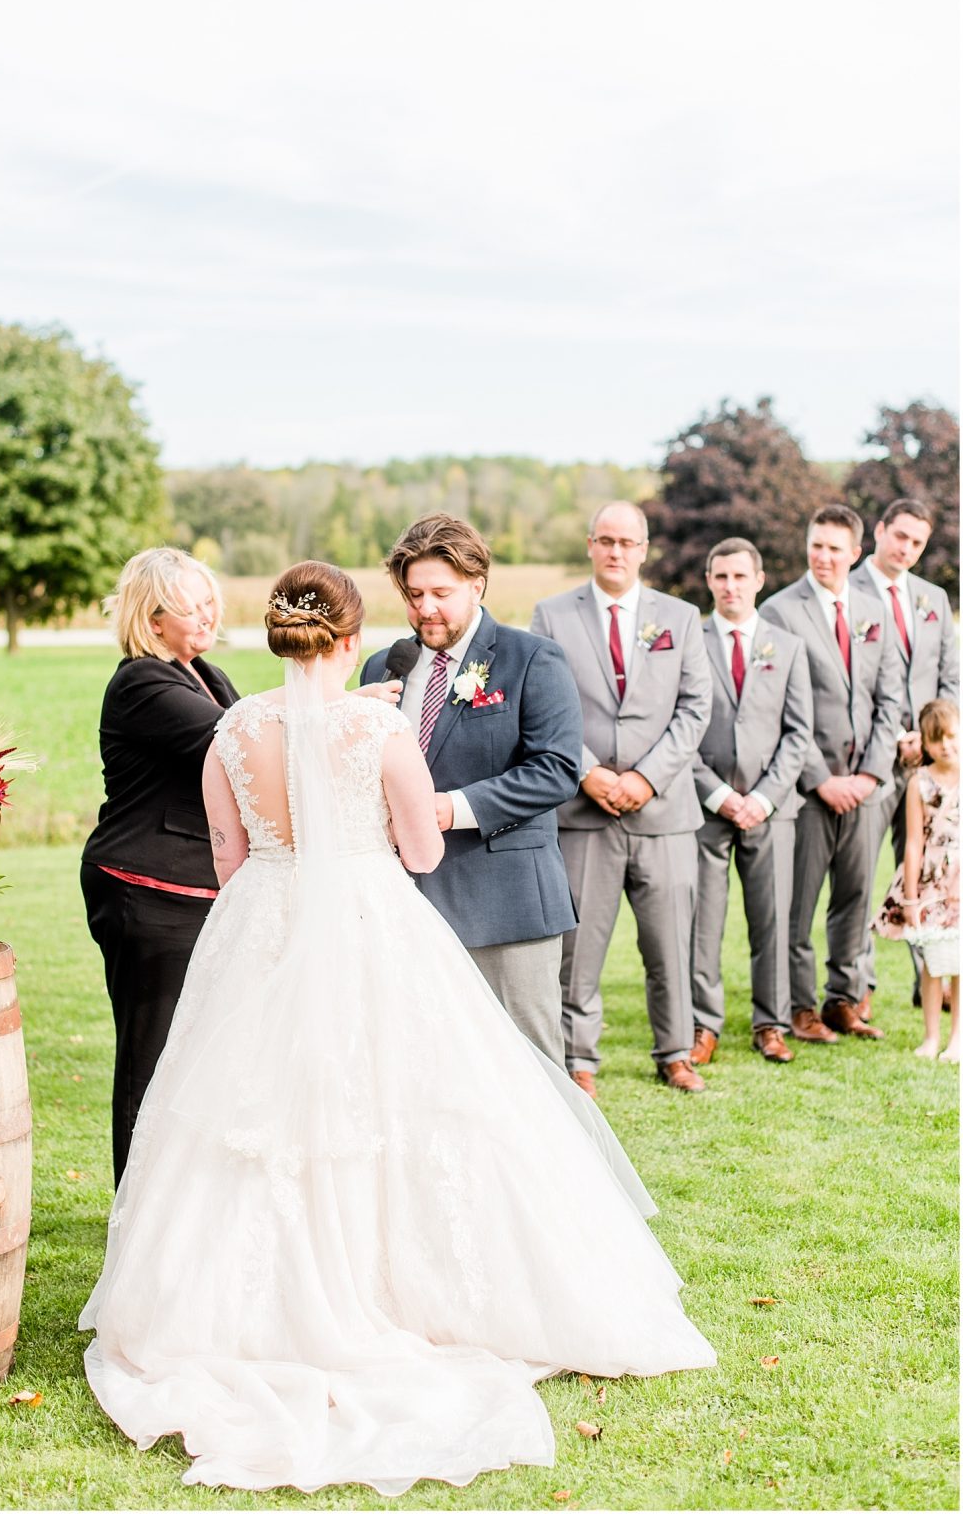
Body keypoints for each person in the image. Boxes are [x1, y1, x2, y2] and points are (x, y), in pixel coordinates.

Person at [79, 561, 716, 1496]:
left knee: (250, 1112)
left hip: (258, 923)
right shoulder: (376, 726)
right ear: (348, 639)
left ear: (275, 637)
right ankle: (410, 1291)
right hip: (374, 922)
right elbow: (421, 848)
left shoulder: (232, 730)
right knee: (406, 1099)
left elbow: (228, 853)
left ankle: (229, 1308)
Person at [361, 513, 583, 1069]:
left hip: (505, 905)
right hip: (404, 904)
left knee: (529, 1070)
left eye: (441, 592)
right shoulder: (383, 667)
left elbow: (557, 768)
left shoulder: (531, 659)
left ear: (477, 585)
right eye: (413, 595)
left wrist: (450, 809)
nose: (425, 609)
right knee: (426, 1068)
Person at [531, 502, 713, 1094]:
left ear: (643, 548)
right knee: (578, 949)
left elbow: (694, 708)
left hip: (664, 812)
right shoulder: (553, 616)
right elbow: (543, 706)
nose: (615, 551)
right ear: (590, 545)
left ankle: (676, 1051)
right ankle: (578, 1057)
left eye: (626, 542)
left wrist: (647, 778)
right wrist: (587, 773)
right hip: (584, 812)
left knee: (670, 945)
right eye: (605, 540)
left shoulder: (681, 618)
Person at [80, 548, 239, 1185]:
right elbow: (237, 742)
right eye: (189, 607)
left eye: (209, 602)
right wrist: (337, 712)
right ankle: (136, 1206)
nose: (205, 616)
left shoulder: (206, 672)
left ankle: (182, 1198)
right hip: (147, 889)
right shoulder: (143, 683)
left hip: (200, 887)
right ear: (151, 619)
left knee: (198, 1054)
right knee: (151, 1054)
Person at [761, 504, 904, 1043]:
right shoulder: (778, 611)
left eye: (833, 548)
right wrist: (821, 778)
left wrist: (870, 775)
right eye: (815, 545)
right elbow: (777, 707)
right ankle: (800, 1008)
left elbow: (890, 700)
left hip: (867, 787)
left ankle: (844, 999)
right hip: (809, 787)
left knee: (856, 899)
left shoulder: (874, 610)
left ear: (856, 553)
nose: (822, 556)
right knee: (798, 906)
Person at [689, 538, 814, 1066]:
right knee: (703, 922)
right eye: (721, 577)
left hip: (772, 810)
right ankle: (703, 1025)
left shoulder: (787, 647)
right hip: (705, 808)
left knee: (772, 921)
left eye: (740, 576)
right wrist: (718, 795)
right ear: (710, 581)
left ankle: (771, 1023)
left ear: (759, 580)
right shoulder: (688, 643)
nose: (730, 586)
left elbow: (798, 734)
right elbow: (680, 730)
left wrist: (762, 798)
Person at [851, 499, 959, 1016]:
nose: (907, 549)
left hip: (930, 764)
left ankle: (932, 983)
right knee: (861, 874)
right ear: (879, 531)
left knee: (931, 874)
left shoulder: (933, 598)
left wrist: (930, 737)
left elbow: (949, 678)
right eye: (900, 537)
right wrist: (894, 734)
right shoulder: (845, 592)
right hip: (871, 759)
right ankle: (858, 988)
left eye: (917, 542)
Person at [872, 698, 959, 1061]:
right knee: (933, 961)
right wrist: (910, 898)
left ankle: (957, 1039)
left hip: (960, 882)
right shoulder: (918, 783)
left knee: (960, 963)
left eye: (952, 736)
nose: (946, 746)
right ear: (924, 743)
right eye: (936, 739)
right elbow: (912, 842)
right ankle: (930, 1036)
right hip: (931, 883)